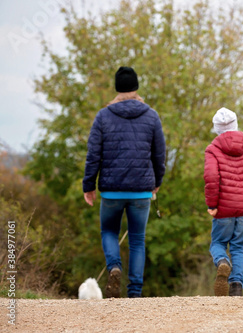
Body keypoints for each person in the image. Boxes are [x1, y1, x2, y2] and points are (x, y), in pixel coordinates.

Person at [83, 66, 166, 298]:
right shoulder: (151, 116)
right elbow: (159, 154)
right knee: (137, 239)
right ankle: (135, 292)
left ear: (117, 88)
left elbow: (93, 155)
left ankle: (114, 267)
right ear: (136, 87)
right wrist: (156, 182)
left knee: (109, 231)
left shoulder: (103, 116)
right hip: (141, 190)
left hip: (111, 191)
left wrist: (88, 185)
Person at [204, 107, 243, 296]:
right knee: (238, 246)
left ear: (216, 128)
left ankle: (222, 262)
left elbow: (211, 176)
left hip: (223, 208)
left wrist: (212, 204)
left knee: (217, 243)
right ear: (236, 125)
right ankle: (236, 286)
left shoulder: (212, 150)